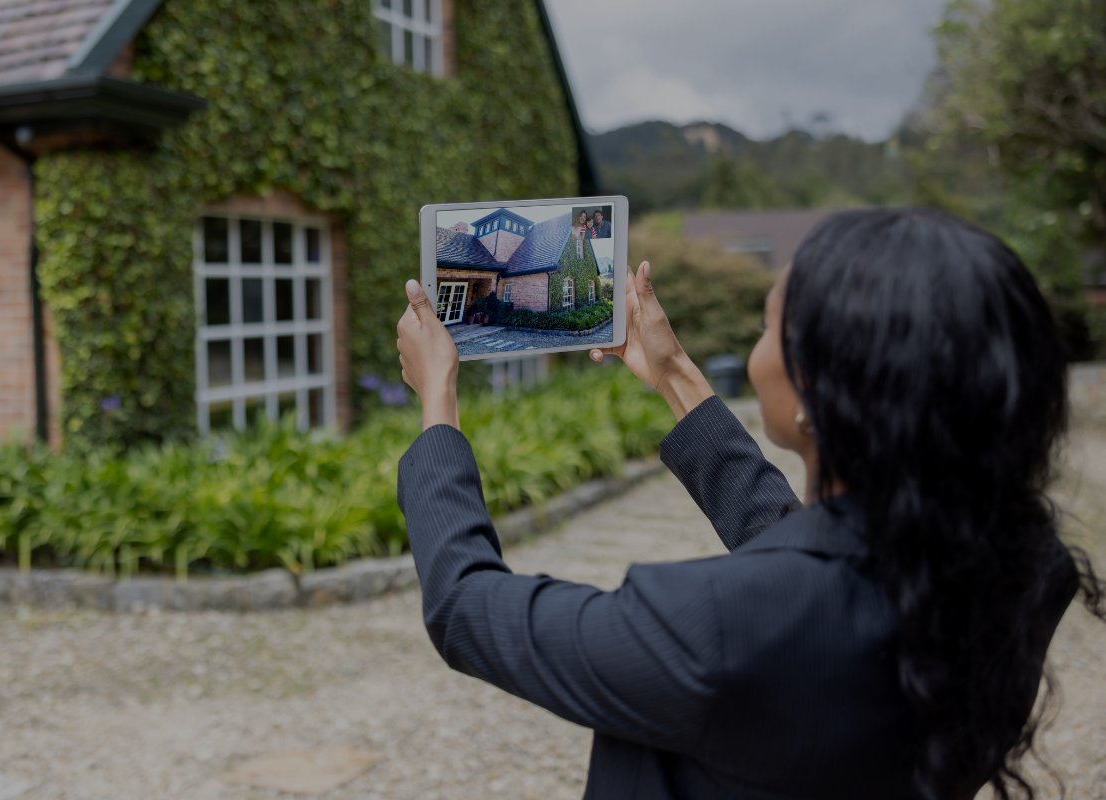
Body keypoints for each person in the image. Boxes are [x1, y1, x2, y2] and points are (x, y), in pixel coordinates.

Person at [394, 207, 1105, 800]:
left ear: (818, 390)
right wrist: (674, 376)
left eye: (767, 329)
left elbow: (467, 607)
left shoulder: (712, 626)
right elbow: (810, 557)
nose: (757, 350)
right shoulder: (1028, 567)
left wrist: (437, 403)